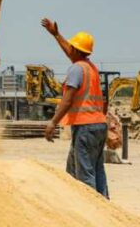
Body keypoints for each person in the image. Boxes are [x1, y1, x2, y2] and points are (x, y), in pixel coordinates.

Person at [41, 18, 109, 198]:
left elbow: (67, 100)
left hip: (85, 128)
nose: (68, 48)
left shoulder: (76, 69)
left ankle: (92, 214)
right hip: (99, 126)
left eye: (71, 46)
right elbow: (71, 52)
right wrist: (56, 35)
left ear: (76, 50)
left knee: (85, 175)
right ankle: (105, 207)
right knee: (89, 170)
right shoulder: (90, 67)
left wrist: (53, 122)